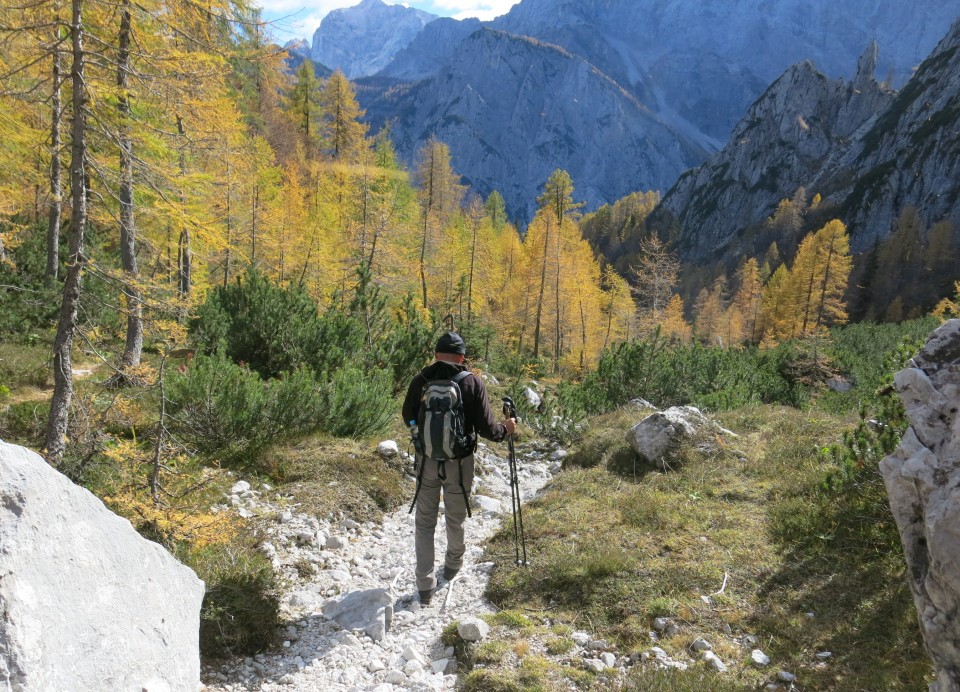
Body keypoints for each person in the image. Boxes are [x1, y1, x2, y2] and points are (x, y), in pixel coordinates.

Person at [401, 331, 516, 605]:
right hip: (460, 463)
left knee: (425, 522)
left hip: (426, 460)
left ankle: (424, 584)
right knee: (455, 517)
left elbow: (407, 417)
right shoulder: (471, 382)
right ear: (462, 357)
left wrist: (424, 433)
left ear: (436, 354)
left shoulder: (421, 380)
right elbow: (489, 430)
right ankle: (452, 566)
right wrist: (507, 428)